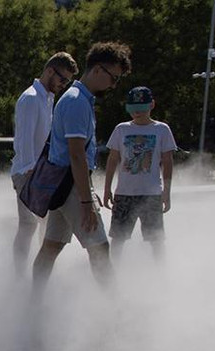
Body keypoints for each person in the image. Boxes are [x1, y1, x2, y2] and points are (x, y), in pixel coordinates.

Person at [31, 42, 132, 298]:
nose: (113, 85)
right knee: (99, 248)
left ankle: (32, 302)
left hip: (63, 186)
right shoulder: (77, 102)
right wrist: (86, 201)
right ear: (98, 69)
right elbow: (76, 155)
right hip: (72, 187)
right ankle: (115, 309)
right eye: (113, 78)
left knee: (50, 247)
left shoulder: (76, 99)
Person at [11, 52, 78, 275]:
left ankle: (40, 269)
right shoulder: (31, 98)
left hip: (42, 172)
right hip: (28, 173)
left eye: (67, 81)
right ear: (50, 71)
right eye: (62, 79)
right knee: (28, 226)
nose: (63, 85)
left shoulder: (47, 98)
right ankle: (20, 274)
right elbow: (24, 139)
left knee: (44, 226)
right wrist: (29, 172)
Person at [102, 86, 176, 261]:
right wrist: (107, 189)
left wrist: (167, 191)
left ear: (151, 105)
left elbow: (167, 162)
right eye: (132, 108)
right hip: (124, 193)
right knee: (118, 238)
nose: (136, 112)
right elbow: (112, 160)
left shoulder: (161, 130)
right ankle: (113, 271)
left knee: (156, 239)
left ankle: (160, 271)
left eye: (141, 108)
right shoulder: (121, 129)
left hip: (151, 194)